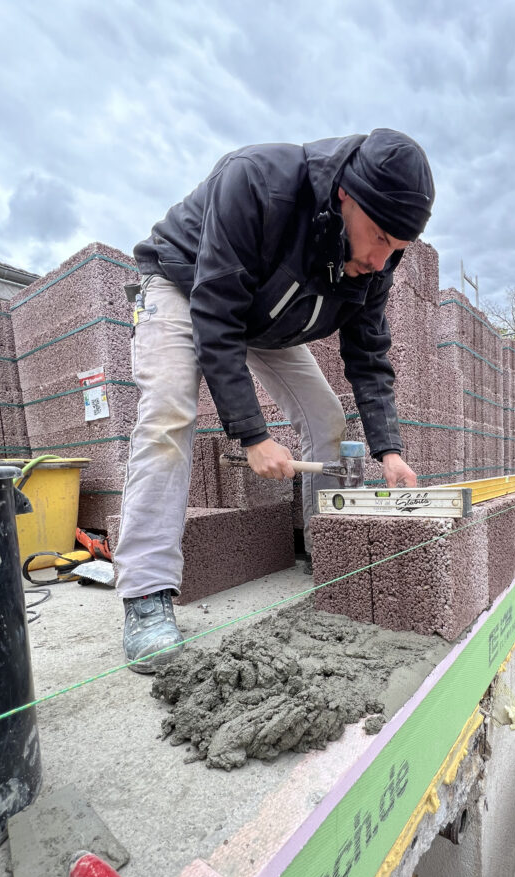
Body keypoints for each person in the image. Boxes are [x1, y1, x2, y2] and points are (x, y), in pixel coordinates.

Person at [113, 129, 435, 673]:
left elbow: (368, 356)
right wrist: (253, 435)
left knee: (326, 418)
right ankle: (146, 595)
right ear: (345, 196)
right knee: (170, 414)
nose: (382, 261)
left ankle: (327, 548)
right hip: (186, 285)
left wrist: (389, 450)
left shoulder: (379, 260)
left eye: (397, 249)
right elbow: (214, 317)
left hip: (265, 319)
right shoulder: (258, 182)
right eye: (378, 238)